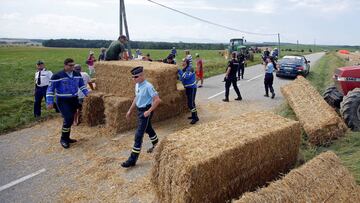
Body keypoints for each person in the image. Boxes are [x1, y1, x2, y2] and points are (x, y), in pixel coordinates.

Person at [121, 66, 161, 168]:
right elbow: (136, 97)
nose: (133, 79)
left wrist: (149, 111)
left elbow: (157, 100)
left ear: (142, 75)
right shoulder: (137, 85)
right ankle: (157, 145)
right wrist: (130, 110)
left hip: (145, 111)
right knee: (148, 128)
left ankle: (132, 160)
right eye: (132, 77)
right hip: (140, 110)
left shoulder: (148, 86)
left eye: (136, 77)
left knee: (138, 135)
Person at [46, 58, 89, 149]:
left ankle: (67, 137)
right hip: (62, 100)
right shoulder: (57, 75)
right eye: (70, 65)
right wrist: (49, 101)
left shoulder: (77, 74)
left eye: (73, 65)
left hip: (74, 99)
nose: (72, 67)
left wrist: (87, 94)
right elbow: (50, 89)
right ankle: (63, 139)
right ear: (65, 65)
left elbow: (81, 85)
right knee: (68, 118)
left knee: (70, 118)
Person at [178, 59, 199, 125]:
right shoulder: (184, 69)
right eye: (182, 61)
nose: (182, 62)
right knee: (191, 103)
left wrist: (179, 71)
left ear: (186, 63)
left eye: (183, 61)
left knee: (191, 104)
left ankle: (195, 118)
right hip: (187, 88)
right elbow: (181, 78)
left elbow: (186, 77)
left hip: (192, 88)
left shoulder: (190, 69)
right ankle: (194, 116)